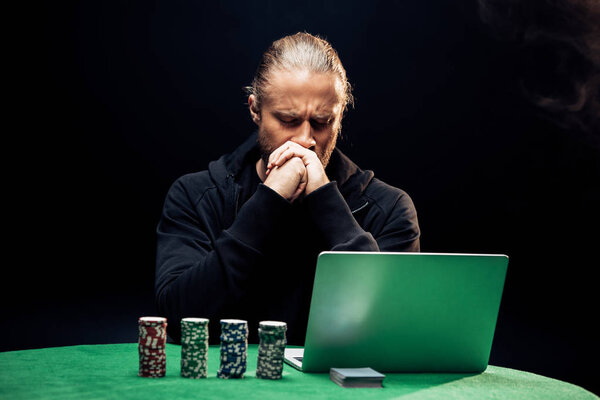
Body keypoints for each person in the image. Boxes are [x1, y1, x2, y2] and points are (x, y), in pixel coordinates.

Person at [155, 32, 420, 344]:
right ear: (255, 109)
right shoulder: (195, 195)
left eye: (322, 122)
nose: (306, 139)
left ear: (340, 116)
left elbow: (392, 329)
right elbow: (178, 318)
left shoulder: (389, 208)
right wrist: (267, 202)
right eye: (288, 120)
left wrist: (326, 202)